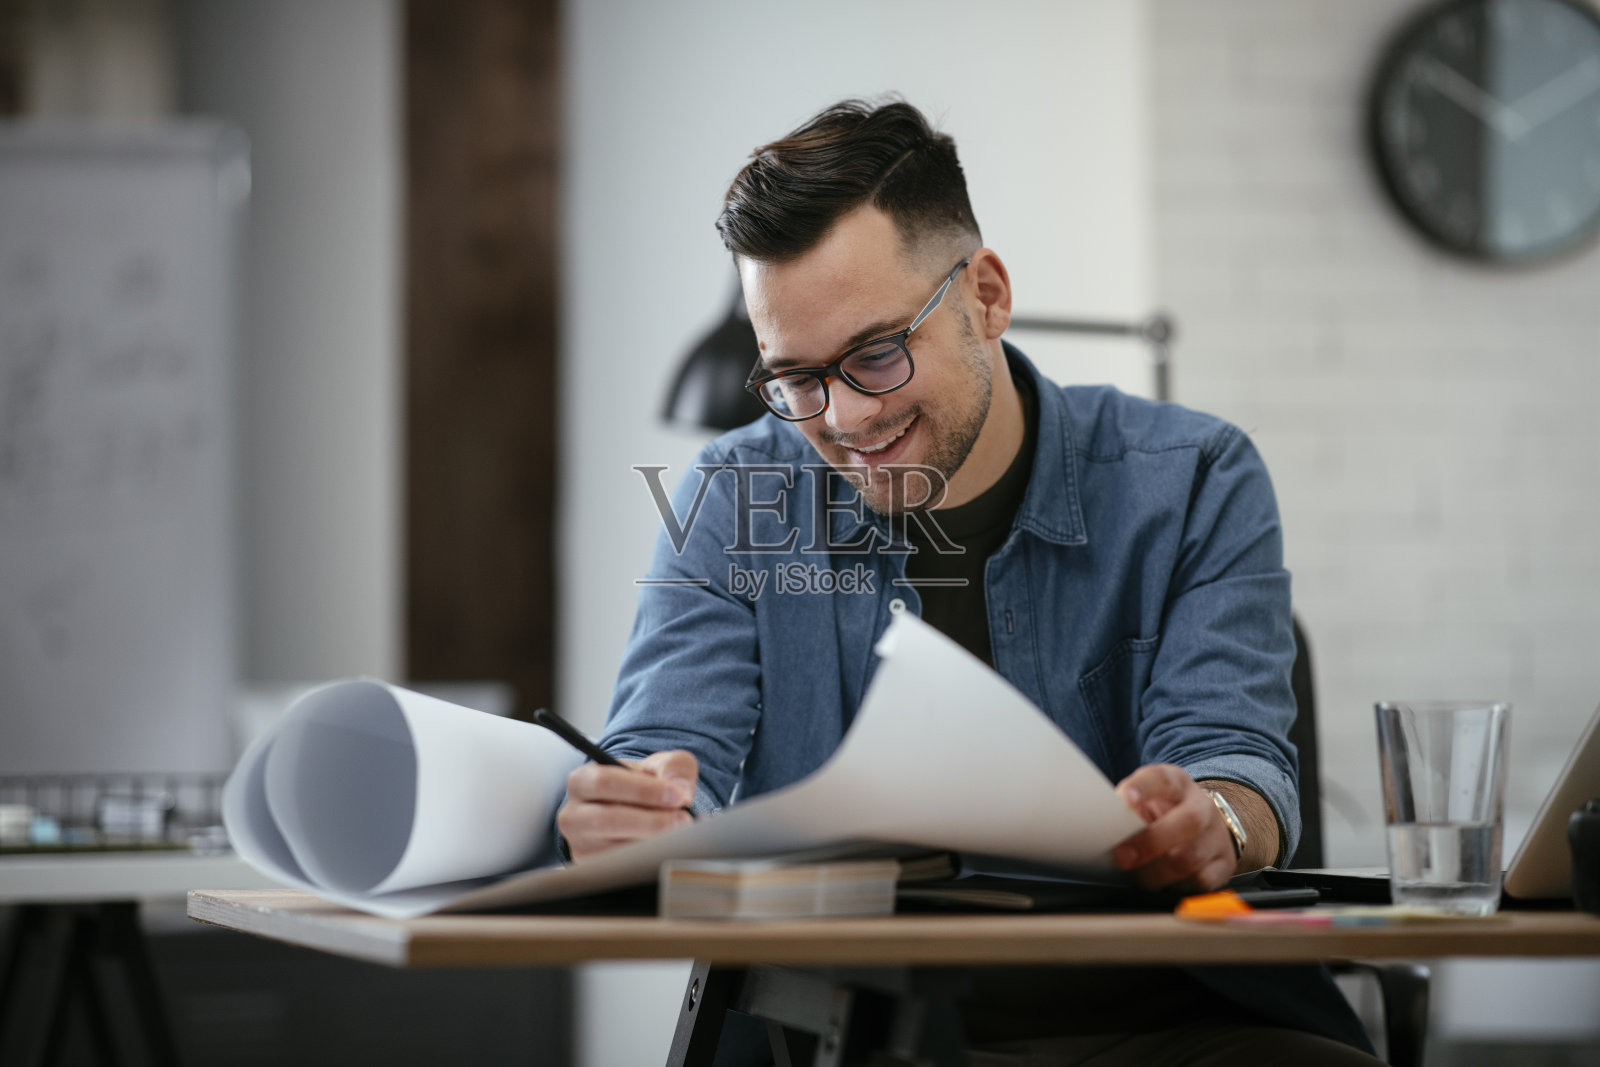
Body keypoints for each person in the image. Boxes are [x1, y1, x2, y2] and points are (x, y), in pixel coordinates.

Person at [557, 99, 1380, 1064]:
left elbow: (1235, 758)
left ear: (985, 294)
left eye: (874, 353)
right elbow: (662, 755)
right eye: (795, 378)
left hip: (1177, 1018)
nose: (842, 415)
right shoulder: (735, 497)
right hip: (842, 1028)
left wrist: (1218, 818)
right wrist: (634, 816)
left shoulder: (1195, 477)